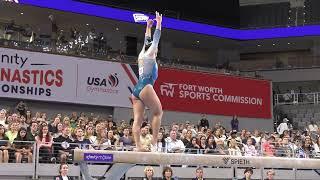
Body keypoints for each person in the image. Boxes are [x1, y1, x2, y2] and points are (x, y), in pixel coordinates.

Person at [132, 11, 163, 152]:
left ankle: (138, 146)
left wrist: (148, 26)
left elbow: (147, 41)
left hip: (136, 90)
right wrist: (159, 23)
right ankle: (154, 144)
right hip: (146, 87)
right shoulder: (151, 54)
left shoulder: (142, 54)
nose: (156, 50)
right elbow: (155, 39)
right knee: (158, 112)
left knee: (138, 119)